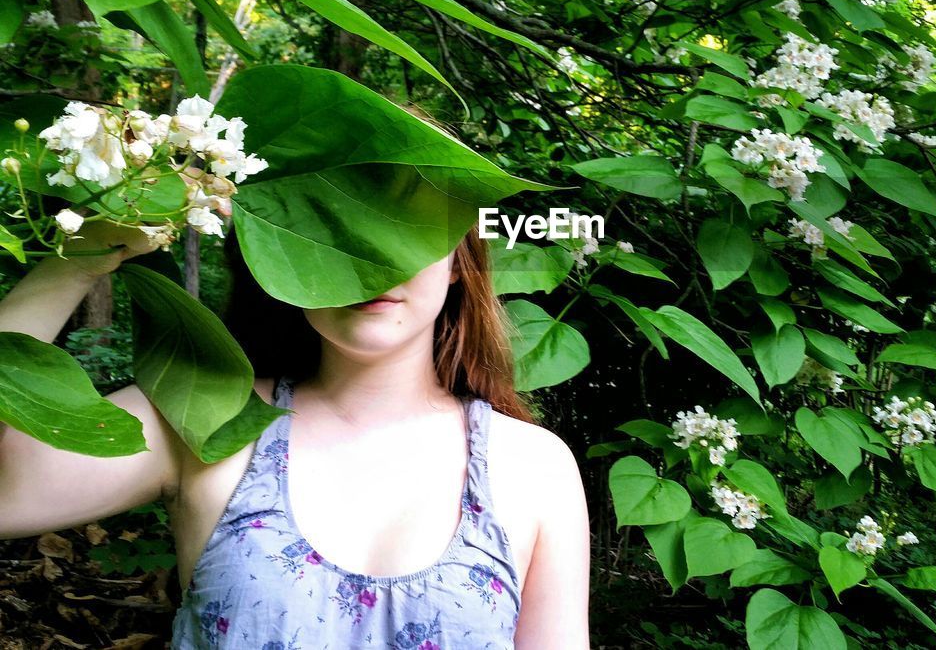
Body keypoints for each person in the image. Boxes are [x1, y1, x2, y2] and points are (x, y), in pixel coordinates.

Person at [0, 220, 591, 648]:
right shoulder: (208, 418)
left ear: (458, 257)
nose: (368, 261)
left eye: (403, 227)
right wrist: (79, 256)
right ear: (279, 259)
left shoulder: (535, 469)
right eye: (328, 229)